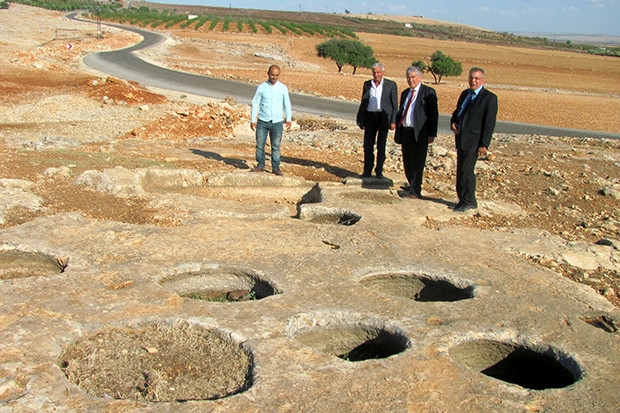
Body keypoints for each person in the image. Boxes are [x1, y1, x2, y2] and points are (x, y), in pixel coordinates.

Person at [450, 67, 498, 212]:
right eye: (471, 78)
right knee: (460, 171)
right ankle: (462, 199)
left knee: (467, 171)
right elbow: (457, 112)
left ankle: (470, 200)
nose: (473, 81)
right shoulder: (465, 94)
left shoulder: (489, 98)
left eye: (476, 78)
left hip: (474, 141)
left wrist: (484, 144)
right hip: (461, 139)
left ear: (482, 80)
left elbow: (489, 123)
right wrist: (453, 122)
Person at [394, 66, 438, 199]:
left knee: (418, 163)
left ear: (419, 77)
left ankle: (416, 190)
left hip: (419, 133)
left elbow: (433, 115)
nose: (411, 80)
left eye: (413, 77)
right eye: (408, 77)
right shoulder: (405, 93)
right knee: (407, 161)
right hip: (406, 132)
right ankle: (411, 184)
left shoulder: (428, 92)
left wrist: (432, 133)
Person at [356, 62, 398, 178]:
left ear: (383, 73)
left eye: (378, 72)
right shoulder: (367, 84)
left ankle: (379, 171)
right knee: (368, 145)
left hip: (383, 118)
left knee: (381, 146)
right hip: (370, 117)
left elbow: (395, 106)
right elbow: (364, 102)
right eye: (374, 72)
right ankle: (367, 171)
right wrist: (361, 119)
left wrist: (393, 121)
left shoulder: (391, 85)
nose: (376, 75)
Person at [250, 64, 292, 176]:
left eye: (277, 75)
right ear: (268, 74)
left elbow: (286, 104)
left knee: (276, 146)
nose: (274, 77)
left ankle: (276, 167)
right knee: (260, 145)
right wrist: (253, 120)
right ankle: (260, 165)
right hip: (263, 121)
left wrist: (288, 118)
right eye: (272, 75)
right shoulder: (262, 87)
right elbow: (255, 103)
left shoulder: (283, 88)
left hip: (277, 122)